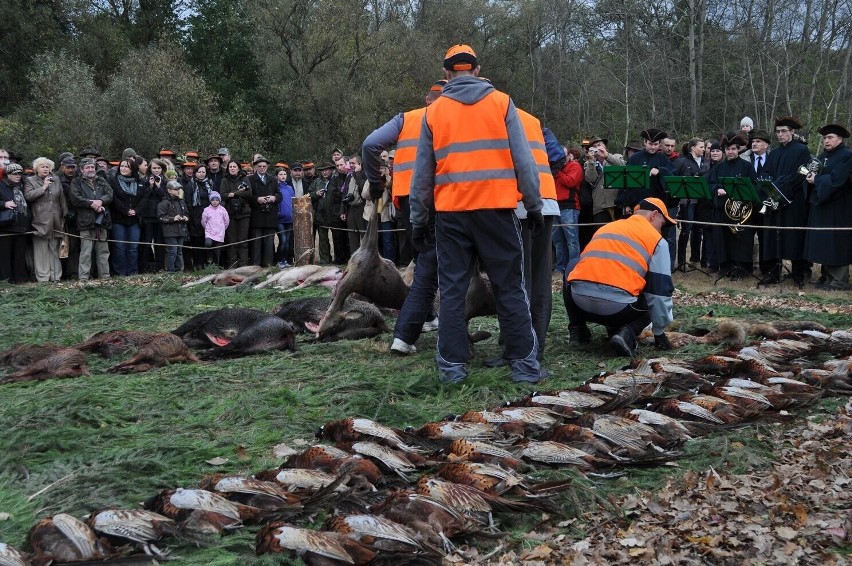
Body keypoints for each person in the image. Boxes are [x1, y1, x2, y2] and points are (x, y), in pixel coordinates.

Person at [409, 44, 543, 384]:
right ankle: (525, 367)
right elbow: (523, 161)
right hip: (497, 211)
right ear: (478, 70)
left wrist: (419, 220)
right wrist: (534, 205)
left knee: (452, 291)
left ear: (448, 74)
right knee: (510, 287)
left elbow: (421, 175)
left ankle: (452, 369)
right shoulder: (502, 102)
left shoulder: (434, 112)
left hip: (452, 214)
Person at [361, 79, 446, 355]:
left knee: (424, 262)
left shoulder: (406, 119)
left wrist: (375, 181)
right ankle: (416, 330)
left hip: (409, 201)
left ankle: (428, 319)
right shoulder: (454, 116)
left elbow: (370, 144)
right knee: (435, 266)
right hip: (442, 197)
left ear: (426, 99)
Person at [565, 197, 675, 357]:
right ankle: (626, 334)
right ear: (653, 215)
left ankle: (578, 331)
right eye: (662, 224)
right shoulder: (657, 241)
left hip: (579, 303)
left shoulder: (607, 228)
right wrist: (659, 332)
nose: (661, 231)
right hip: (617, 310)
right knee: (653, 293)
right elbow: (660, 294)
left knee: (572, 267)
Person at [760, 116, 812, 287]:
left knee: (794, 236)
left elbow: (800, 174)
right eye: (778, 132)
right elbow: (766, 172)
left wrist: (779, 186)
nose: (780, 135)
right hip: (774, 200)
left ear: (792, 132)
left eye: (783, 131)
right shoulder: (774, 153)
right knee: (773, 236)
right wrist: (771, 187)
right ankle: (773, 272)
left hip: (793, 200)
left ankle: (798, 273)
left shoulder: (802, 151)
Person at [621, 128, 678, 271]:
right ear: (644, 143)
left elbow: (672, 176)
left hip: (658, 205)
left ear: (659, 145)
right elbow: (626, 182)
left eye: (656, 144)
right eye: (650, 144)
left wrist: (660, 171)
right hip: (639, 205)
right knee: (638, 236)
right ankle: (637, 264)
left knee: (660, 236)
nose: (653, 147)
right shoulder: (635, 159)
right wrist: (627, 203)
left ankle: (662, 266)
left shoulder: (663, 159)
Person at [804, 124, 852, 290]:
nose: (826, 141)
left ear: (840, 139)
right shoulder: (822, 156)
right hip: (822, 205)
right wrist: (810, 177)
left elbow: (838, 179)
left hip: (839, 207)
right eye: (824, 138)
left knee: (837, 242)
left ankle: (840, 281)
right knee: (825, 242)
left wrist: (816, 180)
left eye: (830, 137)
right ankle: (827, 277)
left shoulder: (847, 156)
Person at [707, 132, 757, 279]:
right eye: (728, 149)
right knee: (723, 238)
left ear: (738, 150)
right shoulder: (718, 168)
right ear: (725, 151)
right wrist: (717, 189)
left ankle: (742, 267)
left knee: (741, 239)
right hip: (723, 210)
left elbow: (753, 186)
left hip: (741, 211)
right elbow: (710, 184)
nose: (730, 152)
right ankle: (726, 266)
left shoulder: (747, 167)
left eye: (733, 149)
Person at [24, 157, 67, 282]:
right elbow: (28, 196)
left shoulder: (56, 179)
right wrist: (43, 187)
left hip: (56, 219)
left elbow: (61, 199)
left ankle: (56, 277)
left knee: (54, 249)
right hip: (39, 220)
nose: (45, 168)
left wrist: (65, 215)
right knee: (41, 250)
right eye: (42, 166)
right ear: (36, 169)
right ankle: (43, 278)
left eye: (47, 166)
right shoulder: (30, 180)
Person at [69, 157, 112, 281]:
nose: (90, 169)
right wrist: (92, 204)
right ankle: (83, 278)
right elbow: (75, 198)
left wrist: (101, 201)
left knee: (103, 251)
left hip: (101, 220)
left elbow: (110, 194)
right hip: (85, 221)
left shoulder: (102, 180)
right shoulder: (76, 182)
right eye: (87, 167)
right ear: (82, 170)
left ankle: (105, 277)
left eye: (92, 167)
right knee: (86, 252)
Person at [674, 138, 711, 269]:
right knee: (686, 229)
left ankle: (698, 258)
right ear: (692, 148)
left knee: (699, 229)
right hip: (688, 201)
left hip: (703, 201)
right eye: (701, 147)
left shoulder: (707, 162)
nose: (704, 149)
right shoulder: (683, 162)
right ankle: (681, 262)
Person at [109, 158, 146, 276]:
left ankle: (132, 272)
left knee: (133, 248)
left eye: (127, 166)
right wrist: (125, 211)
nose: (123, 168)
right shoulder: (113, 181)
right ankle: (120, 272)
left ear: (132, 169)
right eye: (122, 166)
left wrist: (136, 210)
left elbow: (144, 199)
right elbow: (114, 199)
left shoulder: (139, 182)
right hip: (119, 219)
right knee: (120, 247)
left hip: (134, 219)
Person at [552, 147, 583, 274]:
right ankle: (560, 267)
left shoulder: (575, 166)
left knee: (572, 241)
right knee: (558, 241)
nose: (560, 158)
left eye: (563, 155)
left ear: (569, 156)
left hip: (569, 207)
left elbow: (570, 182)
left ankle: (573, 267)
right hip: (554, 206)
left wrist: (558, 171)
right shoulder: (552, 169)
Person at [0, 163, 32, 283]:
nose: (18, 176)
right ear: (8, 175)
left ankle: (20, 279)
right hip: (6, 226)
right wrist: (4, 204)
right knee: (5, 256)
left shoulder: (22, 186)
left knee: (20, 255)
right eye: (15, 174)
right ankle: (6, 281)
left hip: (21, 225)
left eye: (19, 173)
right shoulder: (1, 186)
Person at [247, 155, 281, 267]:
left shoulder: (273, 180)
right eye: (260, 166)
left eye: (264, 166)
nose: (262, 168)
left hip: (270, 216)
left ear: (267, 167)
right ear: (256, 167)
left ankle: (268, 266)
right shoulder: (250, 180)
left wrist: (274, 198)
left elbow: (280, 195)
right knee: (256, 243)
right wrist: (257, 199)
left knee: (269, 243)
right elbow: (247, 197)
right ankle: (255, 266)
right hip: (257, 216)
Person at [361, 162, 396, 263]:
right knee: (372, 240)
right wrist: (374, 184)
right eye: (378, 168)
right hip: (371, 215)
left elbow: (393, 193)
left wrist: (386, 183)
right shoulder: (370, 180)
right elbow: (364, 195)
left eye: (382, 168)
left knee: (388, 240)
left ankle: (390, 262)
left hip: (385, 215)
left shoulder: (390, 180)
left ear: (387, 170)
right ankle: (374, 262)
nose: (380, 171)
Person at [308, 162, 340, 264]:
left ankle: (339, 259)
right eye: (322, 170)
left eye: (327, 170)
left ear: (331, 170)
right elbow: (308, 195)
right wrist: (315, 194)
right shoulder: (316, 182)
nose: (325, 172)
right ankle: (325, 260)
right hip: (320, 215)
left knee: (337, 238)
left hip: (334, 215)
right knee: (323, 239)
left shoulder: (336, 180)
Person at [221, 160, 251, 267]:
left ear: (238, 168)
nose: (232, 168)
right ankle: (232, 264)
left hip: (244, 213)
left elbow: (248, 193)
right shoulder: (225, 180)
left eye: (234, 166)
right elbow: (223, 195)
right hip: (230, 213)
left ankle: (243, 264)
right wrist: (239, 193)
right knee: (232, 240)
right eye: (230, 167)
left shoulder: (245, 179)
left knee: (243, 240)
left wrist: (233, 193)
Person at [183, 163, 213, 269]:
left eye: (203, 172)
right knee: (197, 241)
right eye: (199, 172)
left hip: (209, 216)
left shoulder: (209, 184)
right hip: (195, 216)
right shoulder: (191, 185)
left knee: (207, 241)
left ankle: (206, 263)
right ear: (195, 173)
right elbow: (187, 201)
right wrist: (192, 216)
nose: (201, 174)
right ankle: (198, 264)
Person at [158, 181, 189, 272]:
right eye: (175, 189)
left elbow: (187, 213)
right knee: (172, 251)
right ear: (169, 190)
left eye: (179, 189)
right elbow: (160, 217)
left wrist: (186, 218)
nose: (178, 191)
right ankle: (170, 271)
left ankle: (179, 270)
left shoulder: (181, 202)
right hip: (170, 231)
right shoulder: (164, 203)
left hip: (181, 230)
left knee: (179, 251)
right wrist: (173, 219)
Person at [341, 155, 367, 254]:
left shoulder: (364, 174)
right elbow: (345, 194)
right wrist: (342, 210)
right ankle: (354, 260)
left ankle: (365, 260)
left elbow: (363, 189)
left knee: (364, 235)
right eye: (350, 163)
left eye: (353, 163)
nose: (351, 165)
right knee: (352, 236)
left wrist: (358, 174)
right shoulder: (349, 176)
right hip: (351, 208)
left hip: (361, 208)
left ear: (359, 164)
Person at [202, 191, 229, 266]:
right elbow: (204, 221)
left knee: (217, 250)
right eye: (213, 200)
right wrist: (207, 228)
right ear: (210, 201)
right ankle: (209, 257)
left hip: (220, 232)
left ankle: (216, 265)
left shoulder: (223, 210)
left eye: (217, 200)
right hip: (209, 231)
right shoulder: (206, 210)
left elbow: (226, 221)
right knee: (208, 243)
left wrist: (222, 228)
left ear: (219, 201)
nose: (215, 202)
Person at [275, 168, 294, 267]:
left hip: (289, 218)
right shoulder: (275, 187)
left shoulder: (289, 188)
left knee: (287, 242)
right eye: (280, 174)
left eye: (284, 174)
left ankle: (285, 260)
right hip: (280, 219)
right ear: (277, 176)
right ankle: (279, 260)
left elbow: (292, 202)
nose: (283, 176)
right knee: (283, 240)